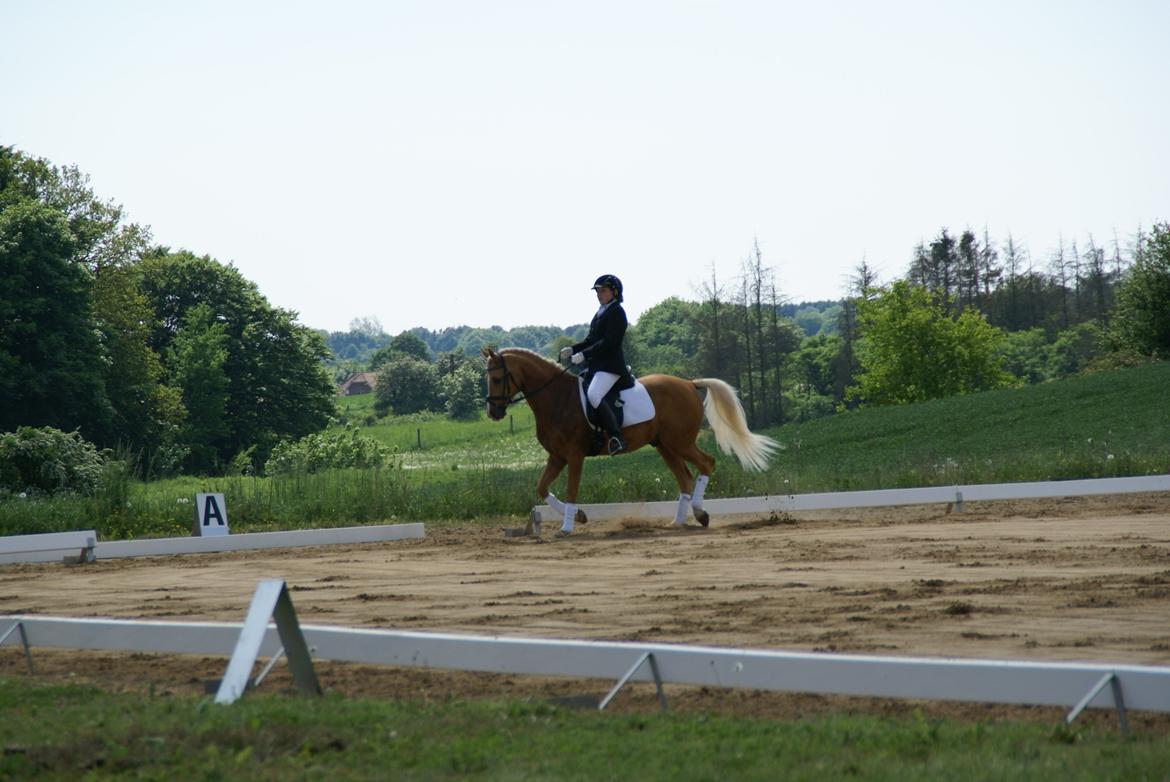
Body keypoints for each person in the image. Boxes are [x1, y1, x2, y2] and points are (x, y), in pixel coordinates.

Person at [560, 274, 630, 455]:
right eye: (598, 292)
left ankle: (617, 437)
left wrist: (584, 355)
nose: (599, 295)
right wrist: (573, 349)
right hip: (597, 367)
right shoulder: (600, 313)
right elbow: (591, 340)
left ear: (614, 292)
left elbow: (609, 342)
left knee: (593, 394)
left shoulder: (617, 312)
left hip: (611, 367)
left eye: (603, 291)